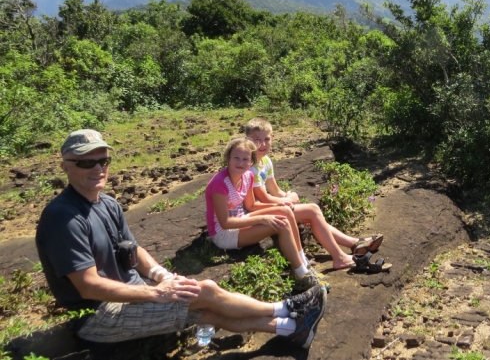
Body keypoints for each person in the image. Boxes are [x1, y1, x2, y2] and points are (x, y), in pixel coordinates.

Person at [36, 129, 326, 348]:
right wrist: (156, 293)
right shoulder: (63, 218)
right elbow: (88, 286)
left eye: (103, 160)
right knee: (206, 292)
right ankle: (290, 308)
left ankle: (292, 328)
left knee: (209, 310)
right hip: (99, 315)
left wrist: (162, 276)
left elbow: (134, 249)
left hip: (133, 292)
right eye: (86, 163)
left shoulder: (108, 203)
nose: (98, 168)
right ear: (65, 167)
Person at [244, 118, 384, 270]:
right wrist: (289, 199)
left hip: (268, 207)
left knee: (310, 213)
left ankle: (354, 243)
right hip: (256, 212)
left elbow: (275, 190)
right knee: (312, 210)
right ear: (247, 140)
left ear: (273, 138)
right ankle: (340, 258)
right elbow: (263, 197)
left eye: (266, 139)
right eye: (257, 140)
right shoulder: (250, 167)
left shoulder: (265, 161)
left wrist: (287, 197)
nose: (262, 144)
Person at [205, 137, 325, 290]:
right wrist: (263, 219)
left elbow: (251, 205)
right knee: (281, 224)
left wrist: (278, 205)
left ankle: (304, 263)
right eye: (236, 158)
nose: (240, 163)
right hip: (223, 234)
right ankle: (301, 275)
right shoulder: (219, 184)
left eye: (245, 159)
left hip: (241, 219)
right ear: (228, 157)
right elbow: (225, 223)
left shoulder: (248, 176)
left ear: (251, 161)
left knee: (285, 211)